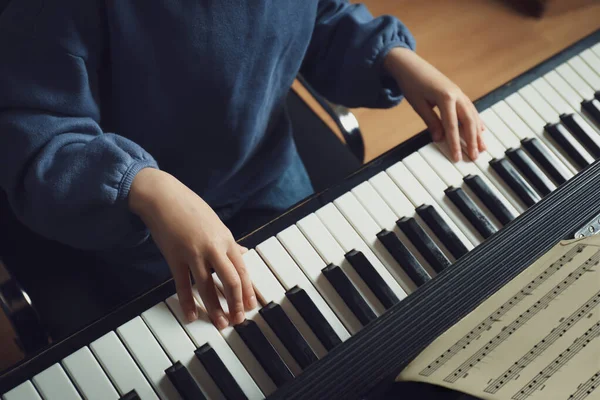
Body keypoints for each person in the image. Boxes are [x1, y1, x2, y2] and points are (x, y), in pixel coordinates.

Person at [0, 0, 486, 331]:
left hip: (267, 170)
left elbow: (320, 17)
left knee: (340, 320)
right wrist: (144, 189)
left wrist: (391, 57)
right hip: (136, 218)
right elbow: (39, 132)